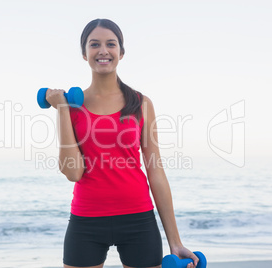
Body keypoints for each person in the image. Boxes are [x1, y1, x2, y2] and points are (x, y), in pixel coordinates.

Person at [45, 18, 199, 268]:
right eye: (94, 44)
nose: (103, 50)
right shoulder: (72, 107)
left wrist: (175, 241)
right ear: (84, 54)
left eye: (111, 44)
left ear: (121, 52)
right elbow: (73, 172)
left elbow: (156, 171)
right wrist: (62, 110)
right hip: (87, 220)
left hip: (138, 219)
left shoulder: (141, 103)